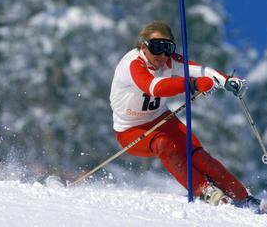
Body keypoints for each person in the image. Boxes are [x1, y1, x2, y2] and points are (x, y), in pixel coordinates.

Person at [109, 20, 255, 205]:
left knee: (199, 156)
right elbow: (154, 87)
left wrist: (226, 81)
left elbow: (200, 70)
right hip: (131, 130)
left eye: (168, 48)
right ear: (143, 45)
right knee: (164, 144)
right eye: (156, 47)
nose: (162, 55)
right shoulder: (132, 64)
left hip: (161, 119)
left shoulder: (168, 61)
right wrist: (192, 84)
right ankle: (205, 190)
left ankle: (243, 197)